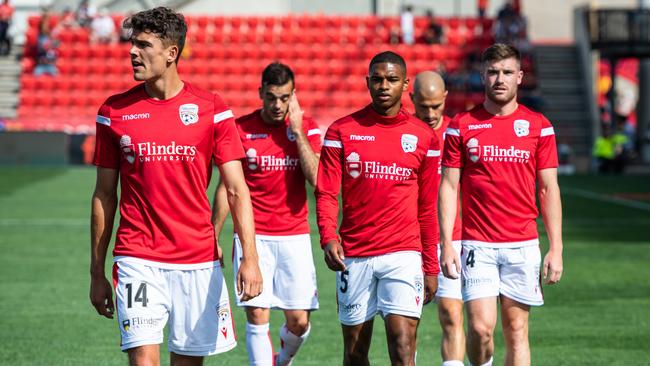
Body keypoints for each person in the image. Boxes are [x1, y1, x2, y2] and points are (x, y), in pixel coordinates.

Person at [89, 7, 262, 366]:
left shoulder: (211, 108)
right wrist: (96, 271)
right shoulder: (114, 111)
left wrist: (251, 258)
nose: (132, 52)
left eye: (143, 45)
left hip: (197, 260)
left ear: (171, 53)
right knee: (143, 360)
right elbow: (104, 195)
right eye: (132, 44)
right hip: (137, 255)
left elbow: (236, 189)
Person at [439, 43, 563, 366]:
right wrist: (447, 244)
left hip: (523, 244)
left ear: (520, 77)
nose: (500, 79)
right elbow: (449, 186)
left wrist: (556, 247)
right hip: (477, 246)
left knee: (517, 329)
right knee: (480, 330)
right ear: (482, 75)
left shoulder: (539, 126)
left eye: (507, 72)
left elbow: (549, 188)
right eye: (493, 72)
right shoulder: (461, 126)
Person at [316, 51, 440, 366]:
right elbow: (327, 192)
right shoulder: (341, 131)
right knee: (355, 353)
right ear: (368, 82)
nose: (384, 85)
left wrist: (430, 267)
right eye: (377, 79)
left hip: (403, 254)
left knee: (402, 346)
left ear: (405, 84)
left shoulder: (424, 137)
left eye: (392, 79)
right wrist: (329, 236)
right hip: (354, 256)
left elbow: (427, 208)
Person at [213, 62, 321, 366]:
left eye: (285, 98)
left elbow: (317, 178)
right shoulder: (240, 129)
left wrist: (298, 132)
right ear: (261, 93)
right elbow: (226, 188)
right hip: (253, 237)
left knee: (299, 321)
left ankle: (282, 360)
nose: (277, 105)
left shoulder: (306, 128)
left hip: (295, 237)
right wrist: (213, 235)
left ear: (293, 96)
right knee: (257, 313)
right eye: (272, 97)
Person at [410, 71, 465, 366]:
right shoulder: (403, 134)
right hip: (409, 239)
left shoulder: (457, 134)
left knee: (451, 314)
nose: (430, 114)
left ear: (445, 98)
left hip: (451, 238)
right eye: (423, 106)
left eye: (436, 106)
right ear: (411, 100)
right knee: (408, 322)